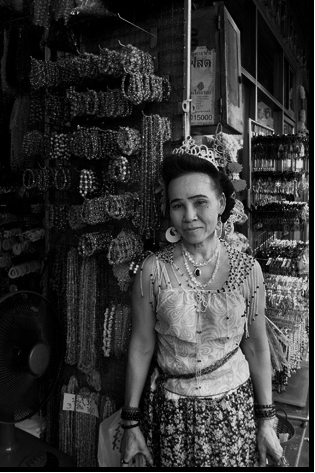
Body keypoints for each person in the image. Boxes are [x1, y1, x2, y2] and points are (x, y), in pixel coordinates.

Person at [120, 151, 285, 468]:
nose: (189, 215)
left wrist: (267, 419)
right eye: (178, 205)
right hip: (171, 414)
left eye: (200, 202)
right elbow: (141, 346)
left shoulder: (248, 270)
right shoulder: (153, 271)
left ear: (221, 203)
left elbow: (256, 345)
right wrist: (131, 422)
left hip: (235, 409)